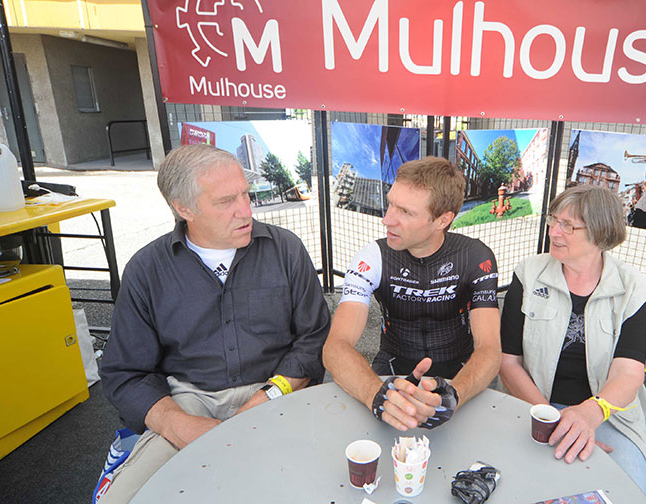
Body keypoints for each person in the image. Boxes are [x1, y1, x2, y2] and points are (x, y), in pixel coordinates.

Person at [99, 144, 331, 503]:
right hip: (189, 399)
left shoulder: (285, 249)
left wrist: (265, 397)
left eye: (246, 195)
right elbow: (123, 372)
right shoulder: (147, 270)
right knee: (124, 499)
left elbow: (314, 338)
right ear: (183, 208)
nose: (245, 211)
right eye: (225, 202)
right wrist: (180, 425)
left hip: (277, 390)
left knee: (314, 489)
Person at [499, 184, 646, 500]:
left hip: (607, 414)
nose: (554, 232)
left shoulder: (634, 291)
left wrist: (589, 415)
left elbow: (628, 375)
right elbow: (508, 362)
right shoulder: (529, 275)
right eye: (553, 221)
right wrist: (552, 420)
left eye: (568, 226)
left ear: (601, 234)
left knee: (627, 494)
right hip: (532, 405)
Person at [323, 156, 501, 432]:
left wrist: (456, 394)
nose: (387, 220)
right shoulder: (372, 256)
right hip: (392, 367)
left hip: (460, 371)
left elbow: (490, 349)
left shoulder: (475, 256)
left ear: (443, 219)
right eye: (391, 203)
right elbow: (335, 347)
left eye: (405, 212)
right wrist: (376, 394)